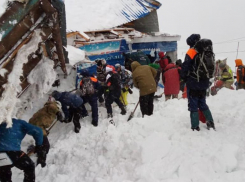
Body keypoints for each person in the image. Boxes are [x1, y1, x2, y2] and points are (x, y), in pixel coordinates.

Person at [180, 34, 215, 131]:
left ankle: (195, 126)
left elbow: (186, 67)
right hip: (204, 82)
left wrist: (183, 77)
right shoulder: (206, 51)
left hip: (193, 82)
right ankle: (210, 122)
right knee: (202, 103)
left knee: (193, 104)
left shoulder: (192, 51)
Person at [29, 101, 63, 167]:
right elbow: (51, 107)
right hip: (36, 126)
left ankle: (38, 151)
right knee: (46, 145)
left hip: (37, 126)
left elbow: (43, 123)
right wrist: (58, 112)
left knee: (41, 143)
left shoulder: (50, 113)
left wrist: (45, 130)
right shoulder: (52, 106)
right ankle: (41, 162)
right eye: (58, 109)